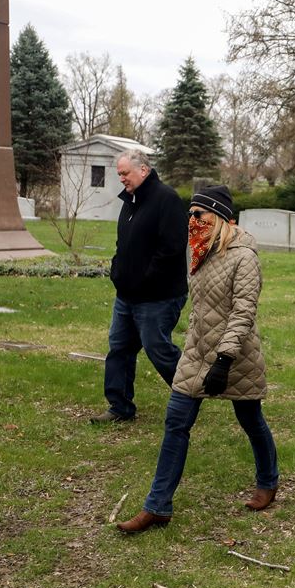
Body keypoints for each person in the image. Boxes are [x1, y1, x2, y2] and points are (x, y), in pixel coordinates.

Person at [117, 184, 279, 532]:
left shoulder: (244, 257)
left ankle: (268, 481)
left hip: (234, 356)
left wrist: (223, 361)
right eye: (189, 214)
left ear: (218, 217)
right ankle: (158, 506)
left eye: (198, 214)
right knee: (176, 423)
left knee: (251, 420)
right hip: (196, 353)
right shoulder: (200, 251)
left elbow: (243, 312)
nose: (191, 219)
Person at [90, 149, 188, 424]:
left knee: (158, 348)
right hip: (127, 295)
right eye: (119, 173)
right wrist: (117, 270)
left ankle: (190, 391)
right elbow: (124, 244)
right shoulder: (130, 201)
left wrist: (145, 280)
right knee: (119, 348)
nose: (121, 178)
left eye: (125, 173)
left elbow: (172, 249)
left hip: (159, 296)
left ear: (143, 170)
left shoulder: (166, 199)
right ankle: (119, 407)